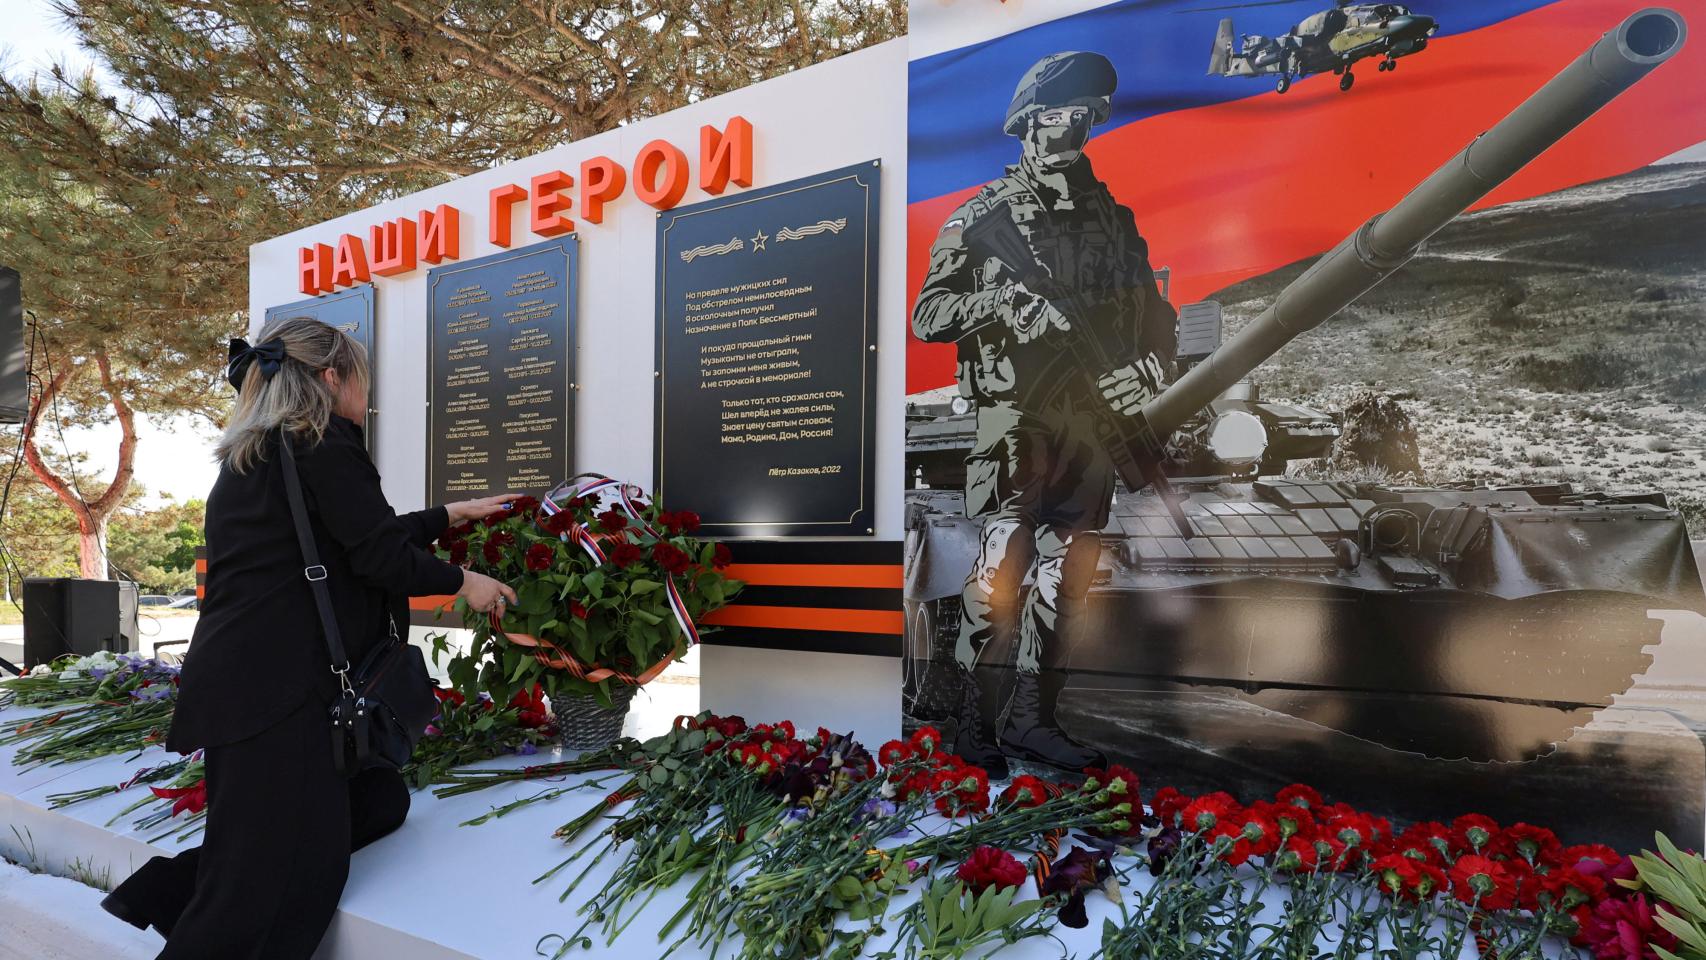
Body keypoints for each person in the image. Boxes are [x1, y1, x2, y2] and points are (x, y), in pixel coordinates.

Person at [99, 316, 517, 957]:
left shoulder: (264, 451)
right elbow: (376, 557)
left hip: (248, 691)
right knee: (268, 896)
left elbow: (340, 541)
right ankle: (184, 903)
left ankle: (164, 892)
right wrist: (466, 581)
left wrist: (443, 517)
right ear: (331, 377)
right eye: (362, 382)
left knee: (365, 807)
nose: (366, 398)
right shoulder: (323, 443)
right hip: (282, 698)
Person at [911, 51, 1177, 777]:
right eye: (1058, 118)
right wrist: (1002, 303)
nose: (1072, 131)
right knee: (999, 573)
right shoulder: (981, 216)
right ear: (1027, 125)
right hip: (1015, 419)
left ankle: (1032, 720)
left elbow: (1156, 314)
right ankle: (967, 718)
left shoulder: (1113, 220)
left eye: (1083, 117)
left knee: (1068, 579)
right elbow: (927, 315)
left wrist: (1151, 365)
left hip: (1092, 426)